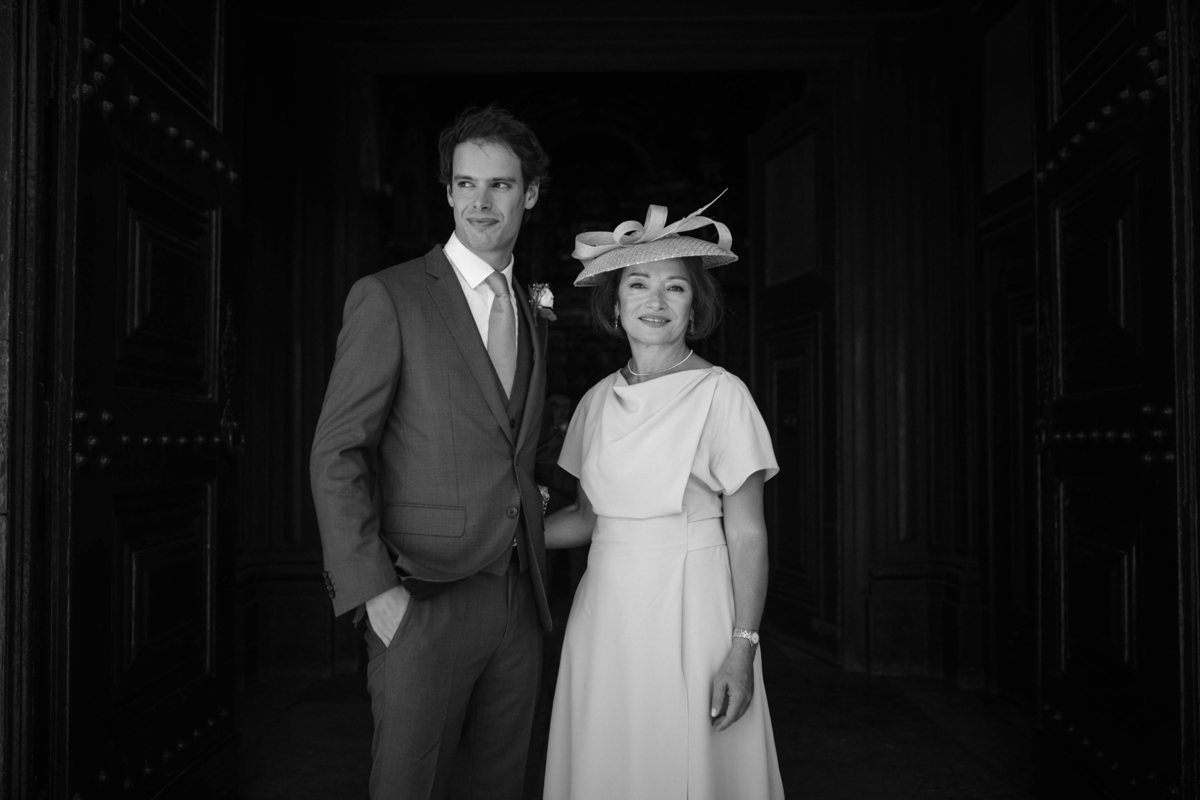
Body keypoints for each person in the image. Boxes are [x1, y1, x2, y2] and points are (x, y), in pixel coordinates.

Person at [310, 105, 559, 800]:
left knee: (499, 786)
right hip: (422, 597)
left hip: (519, 597)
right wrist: (376, 595)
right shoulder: (388, 298)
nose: (481, 201)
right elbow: (336, 452)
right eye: (465, 183)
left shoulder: (535, 311)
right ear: (447, 191)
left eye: (501, 185)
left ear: (530, 194)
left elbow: (511, 444)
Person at [542, 196, 785, 800]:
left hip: (692, 612)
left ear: (695, 306)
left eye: (675, 288)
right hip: (605, 617)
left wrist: (742, 648)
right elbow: (585, 520)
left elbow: (748, 532)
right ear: (615, 302)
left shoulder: (723, 394)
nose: (655, 301)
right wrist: (504, 532)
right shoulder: (596, 401)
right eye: (638, 284)